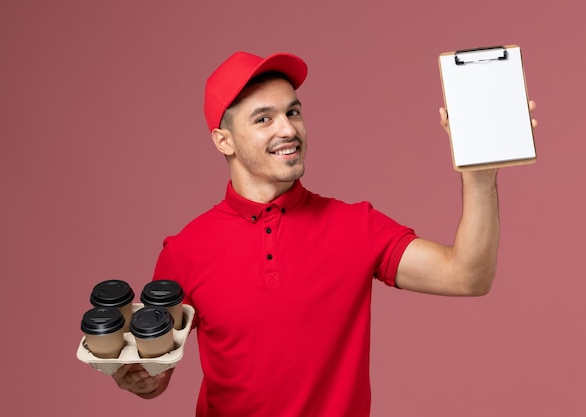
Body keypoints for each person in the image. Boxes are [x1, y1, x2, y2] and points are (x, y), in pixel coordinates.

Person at [112, 51, 537, 416]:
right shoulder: (185, 250)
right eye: (264, 118)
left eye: (292, 112)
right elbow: (156, 372)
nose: (288, 129)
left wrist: (479, 177)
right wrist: (142, 379)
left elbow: (467, 277)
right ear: (224, 140)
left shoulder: (357, 226)